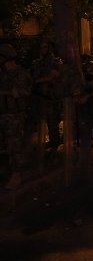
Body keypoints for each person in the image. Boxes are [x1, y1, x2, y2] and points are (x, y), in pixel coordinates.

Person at [0, 44, 33, 190]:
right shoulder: (3, 74)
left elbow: (23, 91)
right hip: (3, 113)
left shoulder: (20, 74)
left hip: (14, 115)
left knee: (15, 146)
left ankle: (17, 175)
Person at [26, 38, 63, 158]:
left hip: (50, 98)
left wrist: (36, 81)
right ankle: (28, 151)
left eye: (45, 47)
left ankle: (54, 150)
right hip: (36, 98)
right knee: (31, 124)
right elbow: (29, 75)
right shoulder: (35, 63)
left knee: (52, 125)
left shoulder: (56, 62)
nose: (43, 49)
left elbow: (52, 76)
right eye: (41, 47)